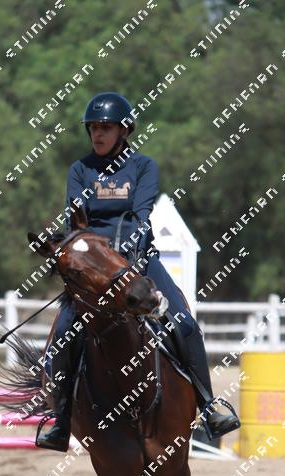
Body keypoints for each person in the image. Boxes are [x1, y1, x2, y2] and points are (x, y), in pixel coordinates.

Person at [36, 91, 240, 451]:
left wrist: (127, 258)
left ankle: (209, 406)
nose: (98, 133)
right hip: (94, 270)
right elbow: (77, 223)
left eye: (106, 127)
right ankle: (61, 421)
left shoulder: (143, 166)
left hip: (138, 260)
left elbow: (141, 217)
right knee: (63, 337)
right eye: (93, 127)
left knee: (184, 325)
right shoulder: (80, 170)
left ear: (124, 130)